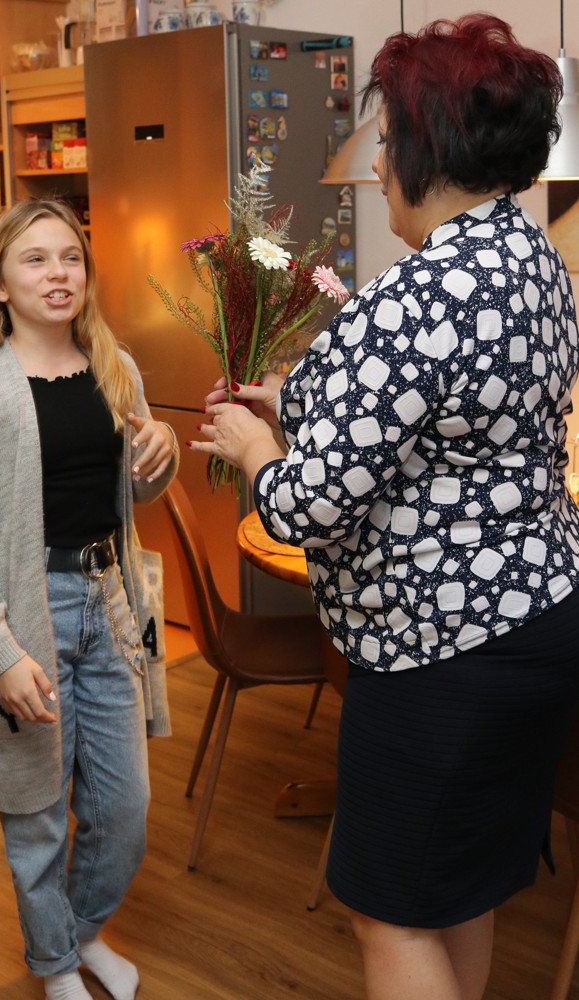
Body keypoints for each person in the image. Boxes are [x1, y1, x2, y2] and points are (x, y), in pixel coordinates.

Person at [191, 14, 579, 1000]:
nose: (376, 167)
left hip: (440, 653)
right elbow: (447, 417)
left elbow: (306, 507)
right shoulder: (532, 262)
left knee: (391, 909)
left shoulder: (416, 296)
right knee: (464, 889)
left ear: (425, 150)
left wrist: (253, 447)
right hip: (534, 621)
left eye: (387, 141)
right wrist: (297, 400)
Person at [0, 198, 179, 1000]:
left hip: (111, 604)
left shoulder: (115, 366)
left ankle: (80, 933)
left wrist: (163, 449)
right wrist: (1, 654)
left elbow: (138, 490)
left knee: (124, 808)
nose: (58, 273)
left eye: (70, 257)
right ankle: (57, 965)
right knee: (35, 809)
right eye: (34, 259)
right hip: (24, 612)